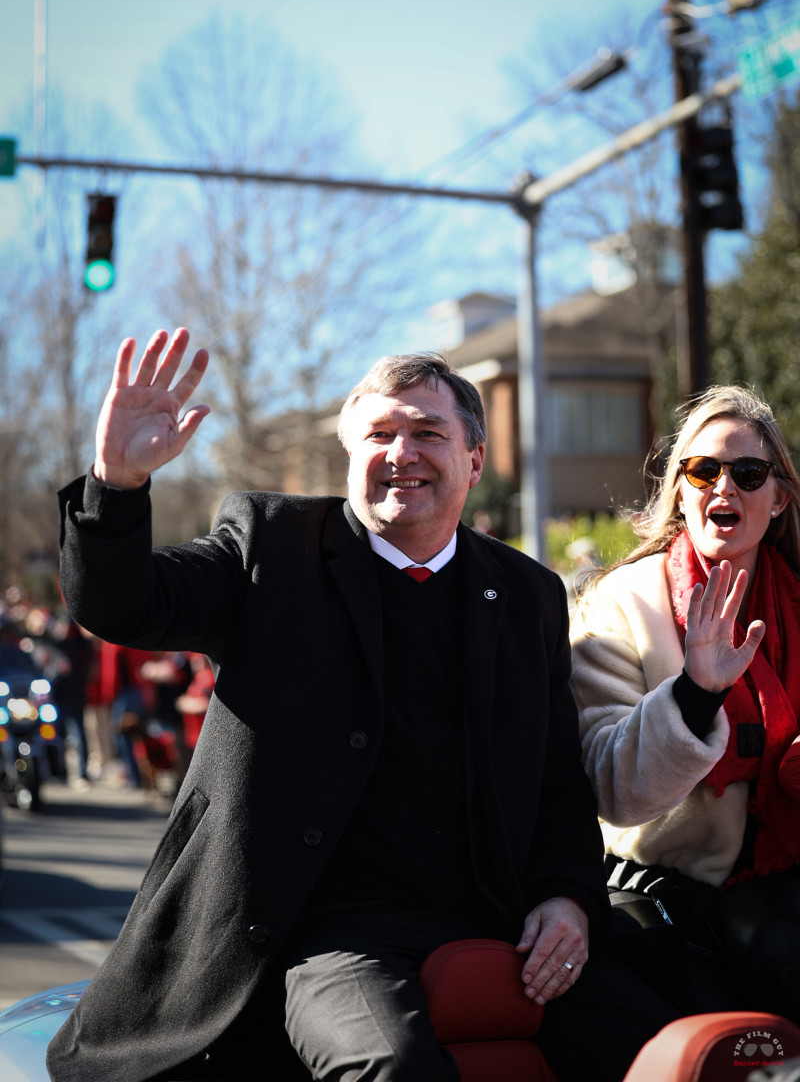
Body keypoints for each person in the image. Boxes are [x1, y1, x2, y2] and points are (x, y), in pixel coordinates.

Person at [47, 328, 674, 1082]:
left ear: (475, 460)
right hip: (331, 935)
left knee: (677, 1048)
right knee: (392, 1070)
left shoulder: (528, 593)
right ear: (351, 453)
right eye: (379, 433)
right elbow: (123, 606)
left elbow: (556, 781)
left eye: (427, 432)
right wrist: (115, 483)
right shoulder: (269, 548)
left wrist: (566, 899)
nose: (401, 451)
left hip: (498, 920)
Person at [569, 383, 800, 1020]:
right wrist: (697, 694)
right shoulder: (619, 603)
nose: (723, 487)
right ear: (680, 490)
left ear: (779, 499)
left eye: (749, 473)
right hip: (671, 889)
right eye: (703, 470)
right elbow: (612, 787)